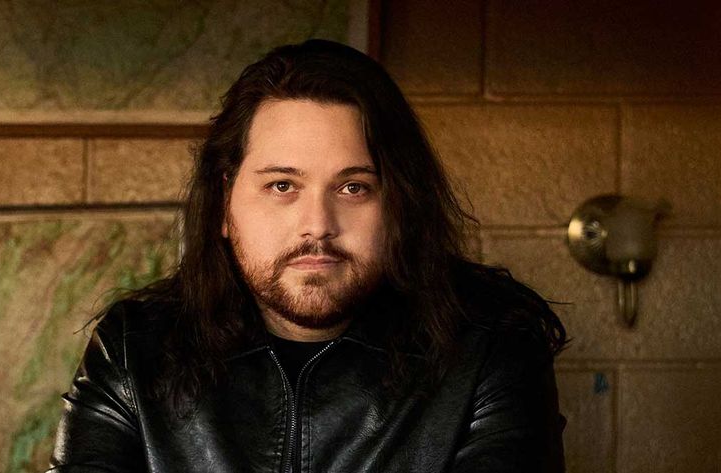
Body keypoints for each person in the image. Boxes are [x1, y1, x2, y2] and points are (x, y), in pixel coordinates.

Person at [48, 39, 568, 473]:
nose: (317, 225)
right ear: (225, 205)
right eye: (282, 186)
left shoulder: (487, 347)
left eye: (353, 188)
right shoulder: (136, 349)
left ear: (400, 206)